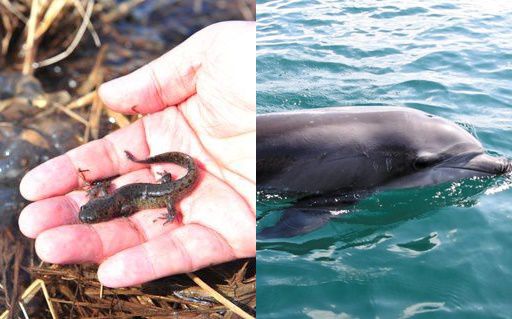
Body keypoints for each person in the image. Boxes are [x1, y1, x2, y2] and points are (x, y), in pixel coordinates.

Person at [18, 21, 255, 288]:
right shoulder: (115, 201)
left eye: (90, 214)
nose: (87, 215)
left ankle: (168, 203)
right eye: (90, 213)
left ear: (106, 213)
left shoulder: (122, 205)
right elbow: (116, 195)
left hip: (168, 192)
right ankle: (165, 177)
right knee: (165, 188)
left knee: (169, 199)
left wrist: (170, 213)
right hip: (160, 187)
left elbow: (129, 203)